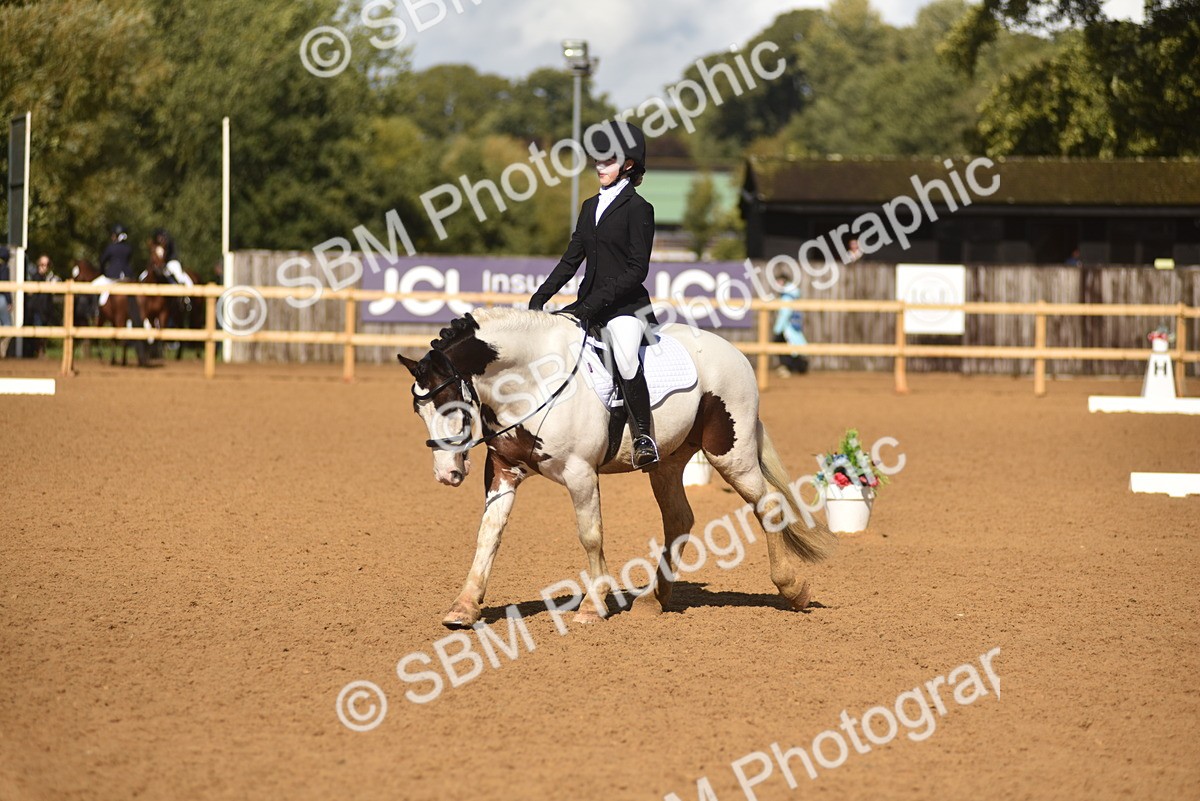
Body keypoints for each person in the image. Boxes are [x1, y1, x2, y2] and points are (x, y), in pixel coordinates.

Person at [529, 121, 660, 471]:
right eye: (597, 162)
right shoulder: (590, 206)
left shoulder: (639, 209)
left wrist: (591, 304)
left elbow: (637, 270)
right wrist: (540, 297)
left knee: (627, 357)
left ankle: (644, 437)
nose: (600, 167)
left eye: (608, 161)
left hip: (625, 308)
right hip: (588, 305)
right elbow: (572, 258)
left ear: (628, 165)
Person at [0, 246, 11, 357]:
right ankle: (2, 351)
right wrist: (9, 301)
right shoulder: (4, 268)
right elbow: (6, 285)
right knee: (8, 327)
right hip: (2, 299)